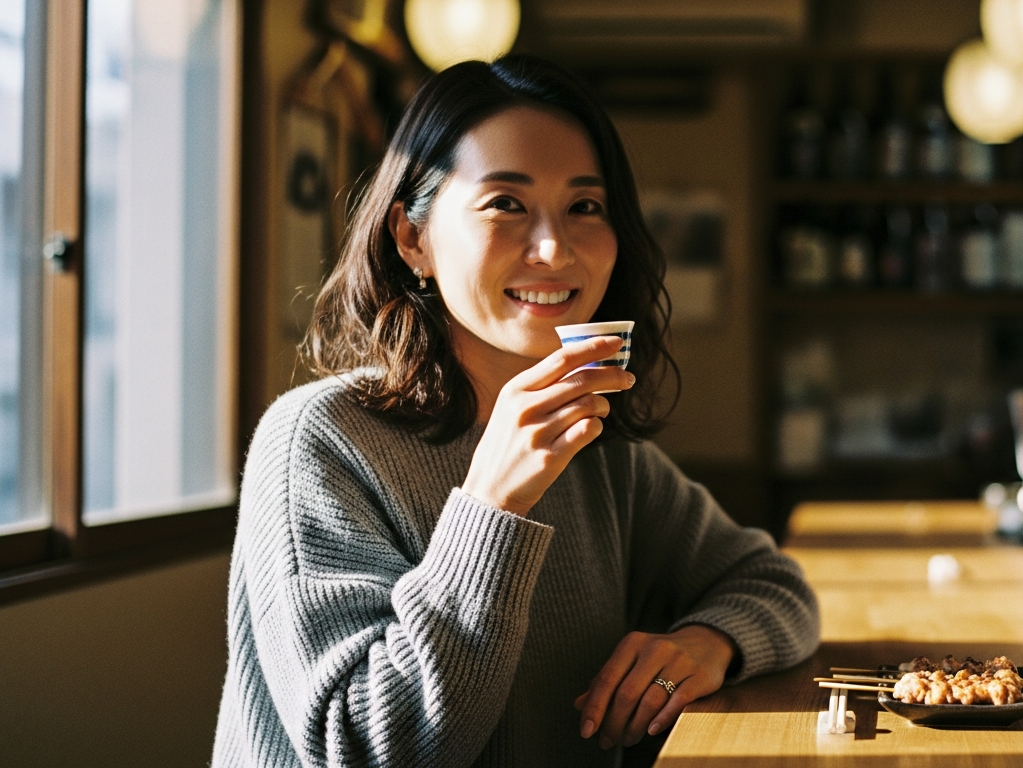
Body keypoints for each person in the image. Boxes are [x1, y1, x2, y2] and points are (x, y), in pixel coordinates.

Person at [211, 55, 820, 767]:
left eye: (585, 208)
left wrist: (707, 645)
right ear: (414, 239)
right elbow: (371, 748)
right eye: (506, 203)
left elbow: (776, 585)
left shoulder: (601, 450)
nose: (555, 248)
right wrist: (493, 504)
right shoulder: (317, 441)